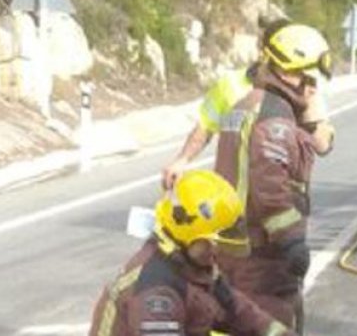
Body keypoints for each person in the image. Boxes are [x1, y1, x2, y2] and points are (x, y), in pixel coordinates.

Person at [163, 23, 333, 331]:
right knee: (269, 324)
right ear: (292, 73)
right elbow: (271, 191)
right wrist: (292, 241)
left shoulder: (246, 102)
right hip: (262, 253)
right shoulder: (274, 120)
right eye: (309, 79)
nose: (313, 88)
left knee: (233, 319)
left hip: (232, 242)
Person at [89, 169, 293, 336]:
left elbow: (239, 311)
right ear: (187, 236)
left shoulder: (194, 267)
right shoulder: (157, 293)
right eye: (210, 243)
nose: (217, 251)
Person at [162, 20, 335, 191]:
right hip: (229, 202)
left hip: (279, 203)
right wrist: (182, 160)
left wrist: (307, 105)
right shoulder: (231, 85)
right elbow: (205, 128)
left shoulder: (304, 92)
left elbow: (322, 145)